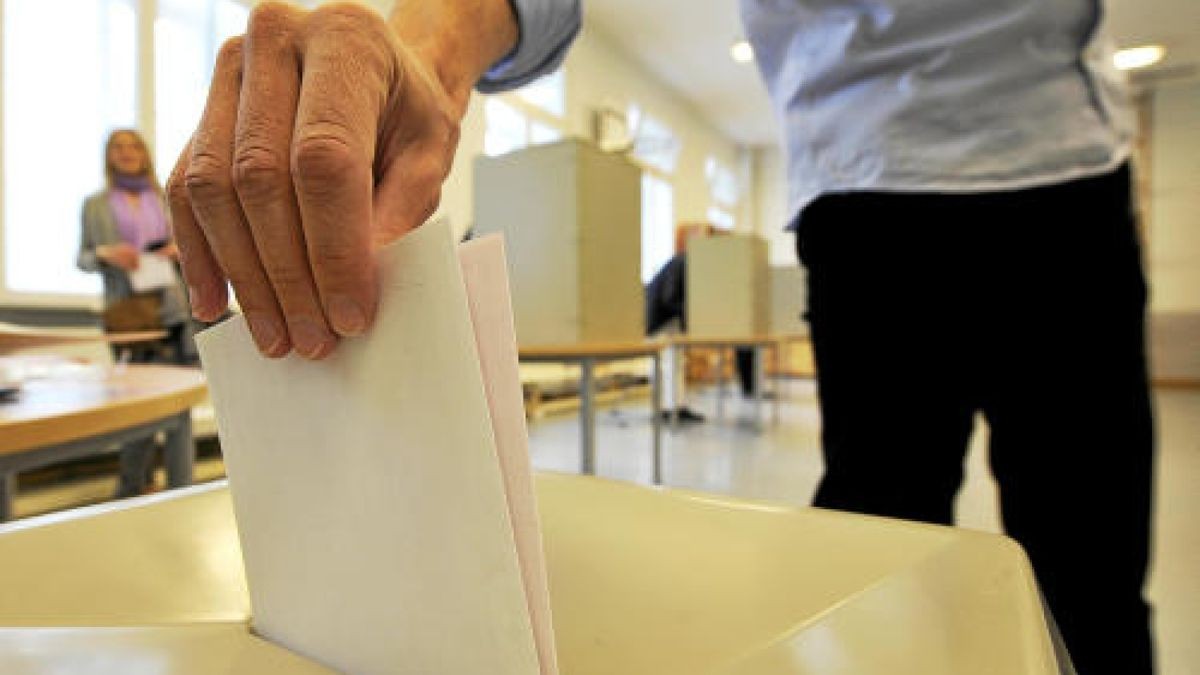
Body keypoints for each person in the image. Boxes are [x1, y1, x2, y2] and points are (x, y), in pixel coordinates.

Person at [166, 2, 1153, 673]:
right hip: (866, 186)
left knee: (1092, 565)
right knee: (878, 530)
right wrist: (423, 52)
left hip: (1062, 170)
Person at [80, 129, 191, 497]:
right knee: (135, 404)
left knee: (173, 402)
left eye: (133, 146)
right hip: (127, 313)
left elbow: (196, 246)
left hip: (171, 310)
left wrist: (179, 249)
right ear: (108, 156)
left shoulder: (166, 199)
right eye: (118, 147)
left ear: (144, 154)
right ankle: (131, 484)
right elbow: (82, 257)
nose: (126, 153)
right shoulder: (96, 204)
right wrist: (105, 254)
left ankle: (165, 482)